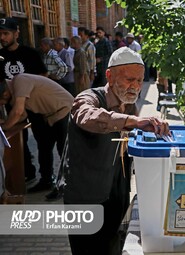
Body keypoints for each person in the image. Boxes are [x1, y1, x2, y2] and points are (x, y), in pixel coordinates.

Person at [63, 47, 169, 255]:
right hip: (86, 196)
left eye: (139, 81)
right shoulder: (88, 98)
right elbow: (87, 116)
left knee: (113, 244)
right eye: (129, 80)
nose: (136, 87)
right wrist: (134, 122)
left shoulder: (128, 104)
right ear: (109, 76)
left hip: (116, 190)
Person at [0, 74, 73, 192]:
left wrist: (4, 127)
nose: (3, 105)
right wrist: (4, 123)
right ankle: (46, 181)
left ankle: (69, 185)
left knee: (64, 151)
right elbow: (22, 115)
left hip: (64, 110)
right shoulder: (14, 94)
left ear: (5, 94)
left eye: (2, 102)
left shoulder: (20, 81)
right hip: (50, 116)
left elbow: (18, 112)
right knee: (44, 148)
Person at [0, 17, 47, 182]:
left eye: (6, 33)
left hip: (34, 105)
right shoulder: (0, 57)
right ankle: (27, 172)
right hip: (12, 107)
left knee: (43, 141)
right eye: (0, 34)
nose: (2, 37)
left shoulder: (31, 54)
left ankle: (47, 178)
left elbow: (43, 77)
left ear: (16, 33)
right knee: (17, 139)